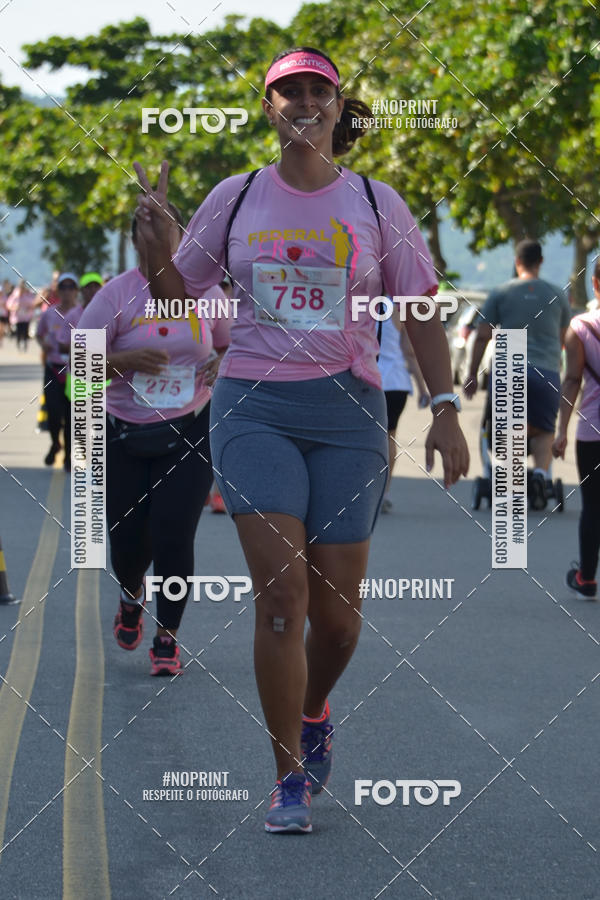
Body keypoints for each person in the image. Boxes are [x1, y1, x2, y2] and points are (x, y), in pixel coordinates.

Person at [135, 46, 469, 832]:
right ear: (269, 107)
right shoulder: (236, 195)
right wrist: (153, 244)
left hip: (348, 414)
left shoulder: (378, 204)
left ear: (336, 100)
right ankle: (287, 774)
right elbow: (177, 299)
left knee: (339, 620)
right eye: (289, 91)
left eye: (317, 88)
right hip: (253, 405)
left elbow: (419, 310)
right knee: (281, 601)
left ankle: (315, 709)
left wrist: (448, 407)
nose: (304, 100)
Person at [78, 208, 230, 675]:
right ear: (134, 240)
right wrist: (124, 361)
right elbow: (79, 374)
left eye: (170, 231)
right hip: (123, 433)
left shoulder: (205, 295)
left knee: (173, 534)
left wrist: (221, 365)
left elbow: (232, 346)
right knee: (126, 542)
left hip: (190, 431)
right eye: (150, 232)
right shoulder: (113, 297)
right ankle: (130, 594)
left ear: (183, 238)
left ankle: (168, 637)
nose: (160, 240)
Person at [464, 239, 571, 510]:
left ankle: (511, 486)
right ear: (541, 261)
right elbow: (565, 339)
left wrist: (472, 374)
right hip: (547, 370)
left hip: (510, 369)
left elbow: (482, 336)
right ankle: (540, 475)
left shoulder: (501, 292)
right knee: (543, 431)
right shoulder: (558, 295)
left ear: (517, 261)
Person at [552, 259, 600, 598]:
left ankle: (586, 576)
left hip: (593, 432)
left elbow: (571, 381)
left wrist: (561, 431)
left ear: (595, 284)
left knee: (593, 505)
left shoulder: (580, 327)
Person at [377, 311, 430, 513]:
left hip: (368, 380)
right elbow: (409, 352)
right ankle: (385, 492)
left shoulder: (361, 302)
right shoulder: (399, 310)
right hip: (396, 382)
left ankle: (366, 490)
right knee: (390, 436)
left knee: (367, 437)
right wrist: (423, 388)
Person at [36, 272, 79, 468]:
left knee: (72, 415)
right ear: (58, 290)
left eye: (71, 287)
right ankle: (55, 444)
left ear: (76, 291)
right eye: (63, 287)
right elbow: (39, 334)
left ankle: (69, 456)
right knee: (53, 412)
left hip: (75, 370)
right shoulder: (49, 314)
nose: (67, 291)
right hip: (53, 368)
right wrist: (43, 344)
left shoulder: (83, 313)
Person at [7, 279, 37, 351]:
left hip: (26, 317)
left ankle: (25, 344)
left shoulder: (28, 294)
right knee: (19, 331)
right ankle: (18, 343)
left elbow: (33, 303)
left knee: (25, 330)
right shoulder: (15, 294)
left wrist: (29, 307)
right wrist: (14, 307)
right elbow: (9, 305)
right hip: (17, 317)